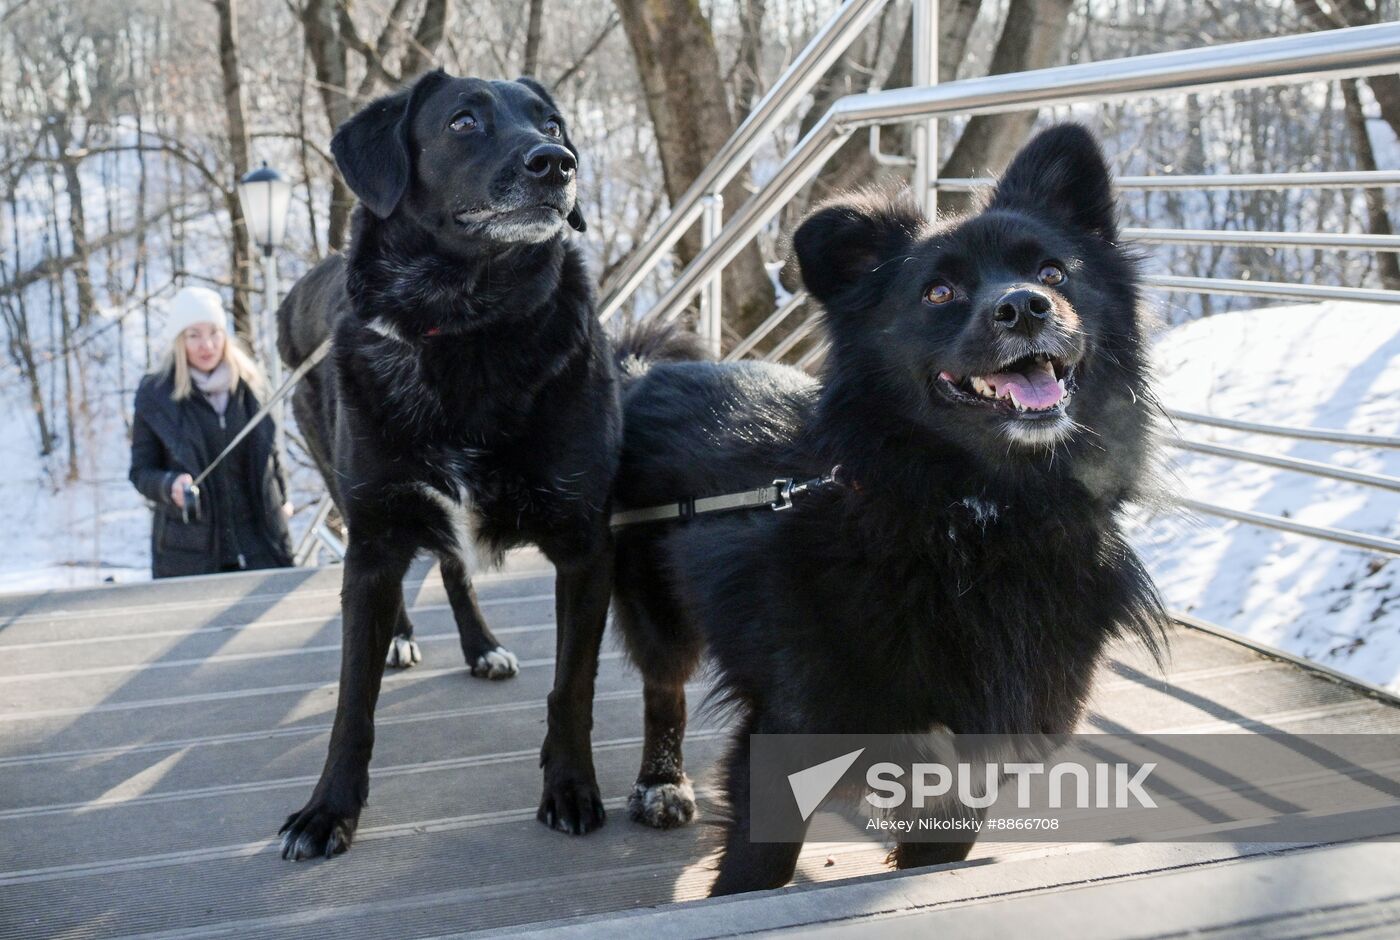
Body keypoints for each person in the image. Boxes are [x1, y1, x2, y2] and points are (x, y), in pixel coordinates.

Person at [129, 286, 294, 578]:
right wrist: (169, 485)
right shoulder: (156, 395)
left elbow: (271, 454)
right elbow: (141, 473)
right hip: (190, 555)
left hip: (261, 547)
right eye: (194, 335)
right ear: (179, 341)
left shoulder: (253, 385)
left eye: (214, 333)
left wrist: (283, 499)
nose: (206, 345)